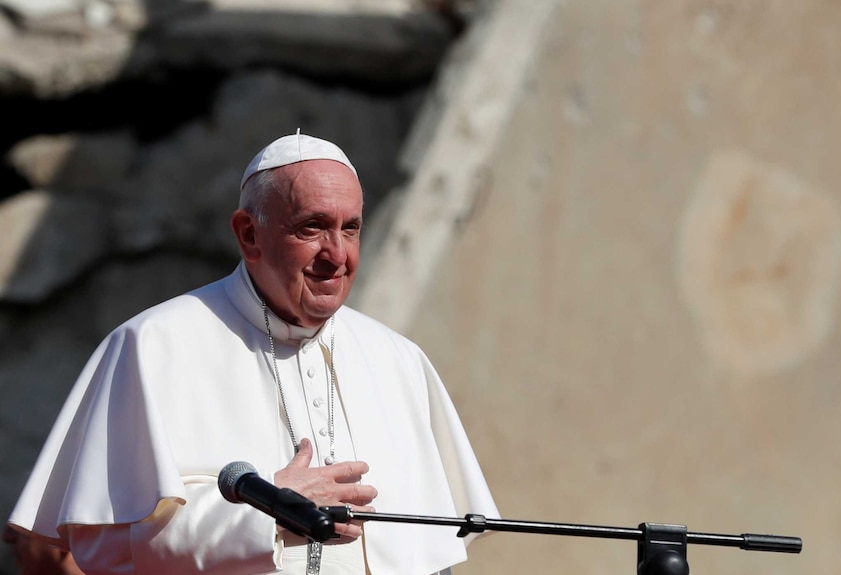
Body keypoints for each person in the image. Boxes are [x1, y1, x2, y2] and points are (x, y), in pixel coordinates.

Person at [6, 132, 498, 575]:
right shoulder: (153, 344)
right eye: (312, 227)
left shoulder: (398, 359)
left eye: (350, 229)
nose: (337, 255)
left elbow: (429, 554)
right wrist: (266, 517)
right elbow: (77, 547)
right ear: (249, 235)